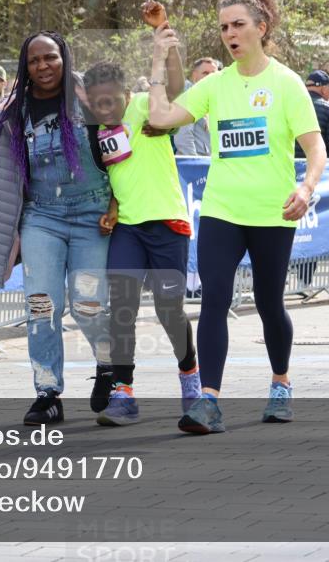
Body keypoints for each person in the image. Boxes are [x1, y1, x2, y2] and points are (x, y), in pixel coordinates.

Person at [146, 0, 327, 434]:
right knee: (213, 300)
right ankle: (209, 401)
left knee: (269, 303)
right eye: (224, 26)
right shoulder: (215, 84)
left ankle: (281, 384)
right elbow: (162, 117)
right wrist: (157, 61)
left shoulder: (286, 84)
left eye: (238, 24)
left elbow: (315, 146)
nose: (229, 33)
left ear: (261, 28)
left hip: (271, 212)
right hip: (222, 210)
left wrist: (306, 187)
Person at [0, 31, 113, 426]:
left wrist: (116, 206)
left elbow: (125, 163)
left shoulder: (93, 102)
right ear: (25, 68)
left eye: (51, 58)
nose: (43, 66)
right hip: (42, 217)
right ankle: (47, 393)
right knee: (43, 306)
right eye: (34, 60)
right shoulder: (9, 119)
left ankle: (111, 372)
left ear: (65, 59)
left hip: (94, 217)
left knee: (88, 304)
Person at [84, 60, 202, 426]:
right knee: (121, 309)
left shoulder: (144, 108)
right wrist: (114, 208)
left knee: (170, 310)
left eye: (111, 100)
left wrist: (163, 47)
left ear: (126, 93)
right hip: (128, 229)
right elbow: (118, 174)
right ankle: (124, 393)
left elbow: (179, 85)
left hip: (167, 222)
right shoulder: (96, 131)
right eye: (98, 103)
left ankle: (190, 377)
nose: (106, 109)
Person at [173, 57, 221, 156]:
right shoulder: (187, 95)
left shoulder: (210, 97)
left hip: (207, 162)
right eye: (205, 73)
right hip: (196, 163)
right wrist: (195, 163)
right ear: (194, 75)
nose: (210, 77)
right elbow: (183, 138)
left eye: (214, 73)